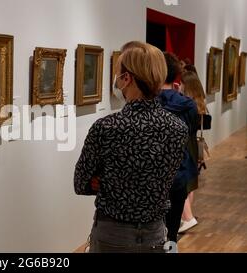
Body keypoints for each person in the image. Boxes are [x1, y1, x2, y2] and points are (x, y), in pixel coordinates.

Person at [74, 41, 189, 253]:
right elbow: (164, 180)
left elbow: (81, 184)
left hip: (112, 233)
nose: (116, 80)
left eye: (118, 74)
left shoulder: (107, 127)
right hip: (155, 233)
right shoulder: (177, 128)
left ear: (127, 78)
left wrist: (104, 180)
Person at [158, 52, 199, 246]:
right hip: (179, 173)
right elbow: (189, 133)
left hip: (154, 176)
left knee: (152, 233)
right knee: (172, 233)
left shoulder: (148, 103)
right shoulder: (188, 105)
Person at [178, 71, 207, 233]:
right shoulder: (199, 103)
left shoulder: (186, 105)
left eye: (181, 83)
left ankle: (187, 217)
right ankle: (187, 216)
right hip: (193, 144)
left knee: (182, 180)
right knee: (191, 181)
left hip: (186, 144)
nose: (179, 85)